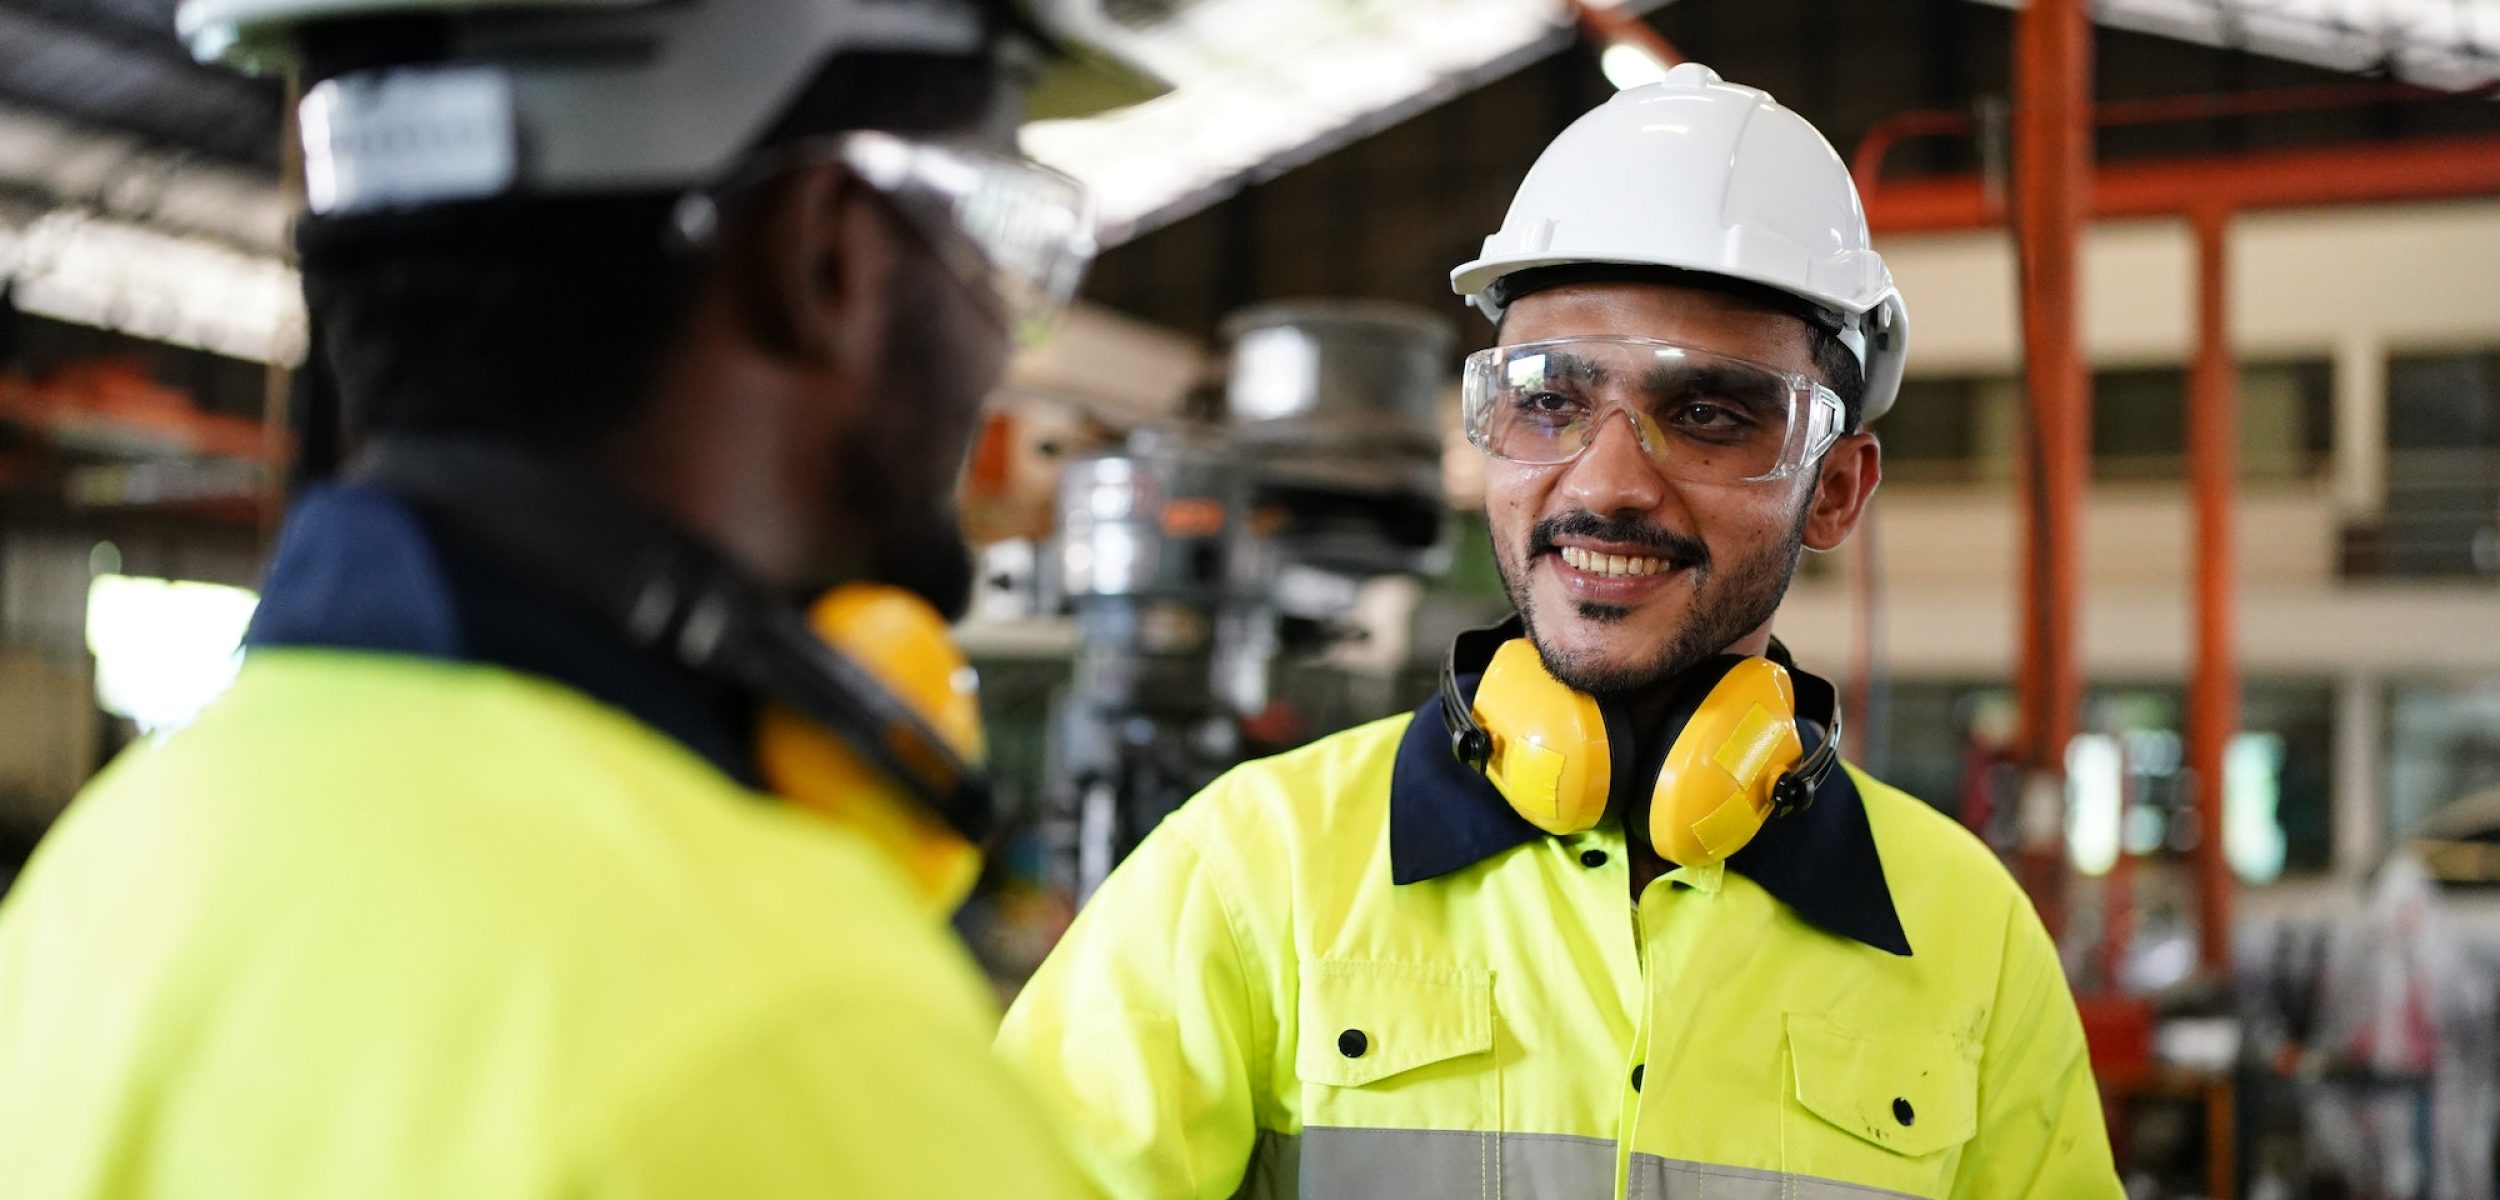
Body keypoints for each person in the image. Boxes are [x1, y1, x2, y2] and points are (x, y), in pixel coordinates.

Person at [0, 1, 1155, 1196]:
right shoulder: (785, 1018)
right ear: (834, 254)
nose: (998, 342)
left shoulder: (108, 877)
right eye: (1000, 241)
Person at [998, 63, 2122, 1199]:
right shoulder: (1252, 874)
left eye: (1709, 414)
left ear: (1833, 489)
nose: (1609, 482)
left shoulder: (1969, 942)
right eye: (1546, 400)